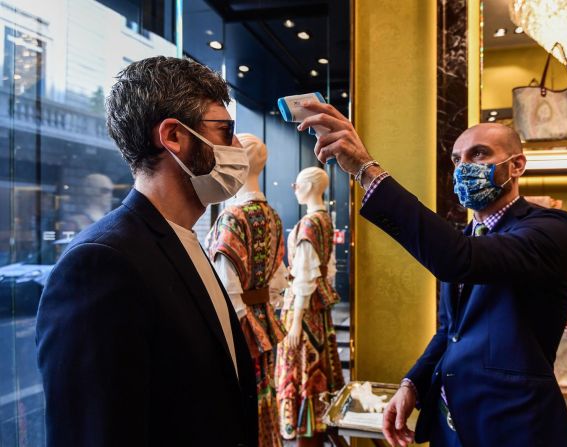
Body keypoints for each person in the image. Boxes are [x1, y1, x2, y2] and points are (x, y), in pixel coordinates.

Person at [297, 103, 567, 447]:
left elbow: (459, 260)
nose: (464, 167)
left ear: (517, 165)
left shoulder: (550, 227)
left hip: (514, 425)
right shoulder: (465, 235)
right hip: (451, 423)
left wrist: (366, 170)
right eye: (458, 160)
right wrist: (412, 384)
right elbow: (451, 331)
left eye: (479, 154)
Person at [36, 56, 258, 446]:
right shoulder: (101, 263)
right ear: (173, 135)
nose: (237, 147)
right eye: (226, 130)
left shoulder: (180, 238)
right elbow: (96, 432)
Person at [205, 133, 288, 447]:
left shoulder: (232, 217)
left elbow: (227, 289)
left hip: (241, 329)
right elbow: (279, 278)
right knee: (264, 398)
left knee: (239, 406)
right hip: (264, 322)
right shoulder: (273, 216)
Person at [275, 167, 343, 445]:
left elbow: (306, 276)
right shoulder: (324, 220)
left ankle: (305, 428)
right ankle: (314, 424)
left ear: (312, 186)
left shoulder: (309, 225)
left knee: (301, 370)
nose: (294, 189)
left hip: (304, 311)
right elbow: (328, 271)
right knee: (317, 370)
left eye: (297, 184)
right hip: (318, 310)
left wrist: (294, 321)